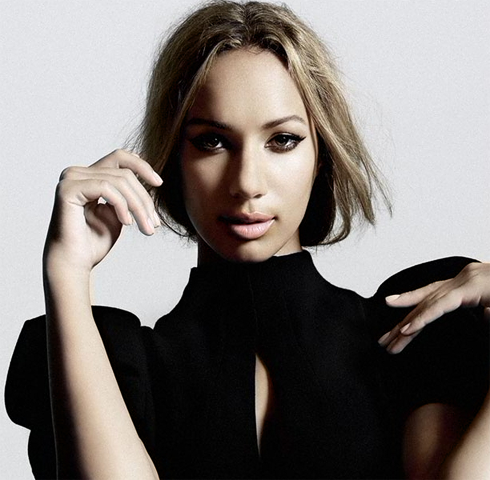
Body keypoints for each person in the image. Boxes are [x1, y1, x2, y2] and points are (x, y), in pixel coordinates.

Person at [6, 1, 490, 478]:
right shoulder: (114, 361)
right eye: (212, 141)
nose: (246, 183)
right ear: (172, 157)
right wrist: (66, 273)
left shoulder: (413, 330)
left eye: (282, 140)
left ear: (321, 155)